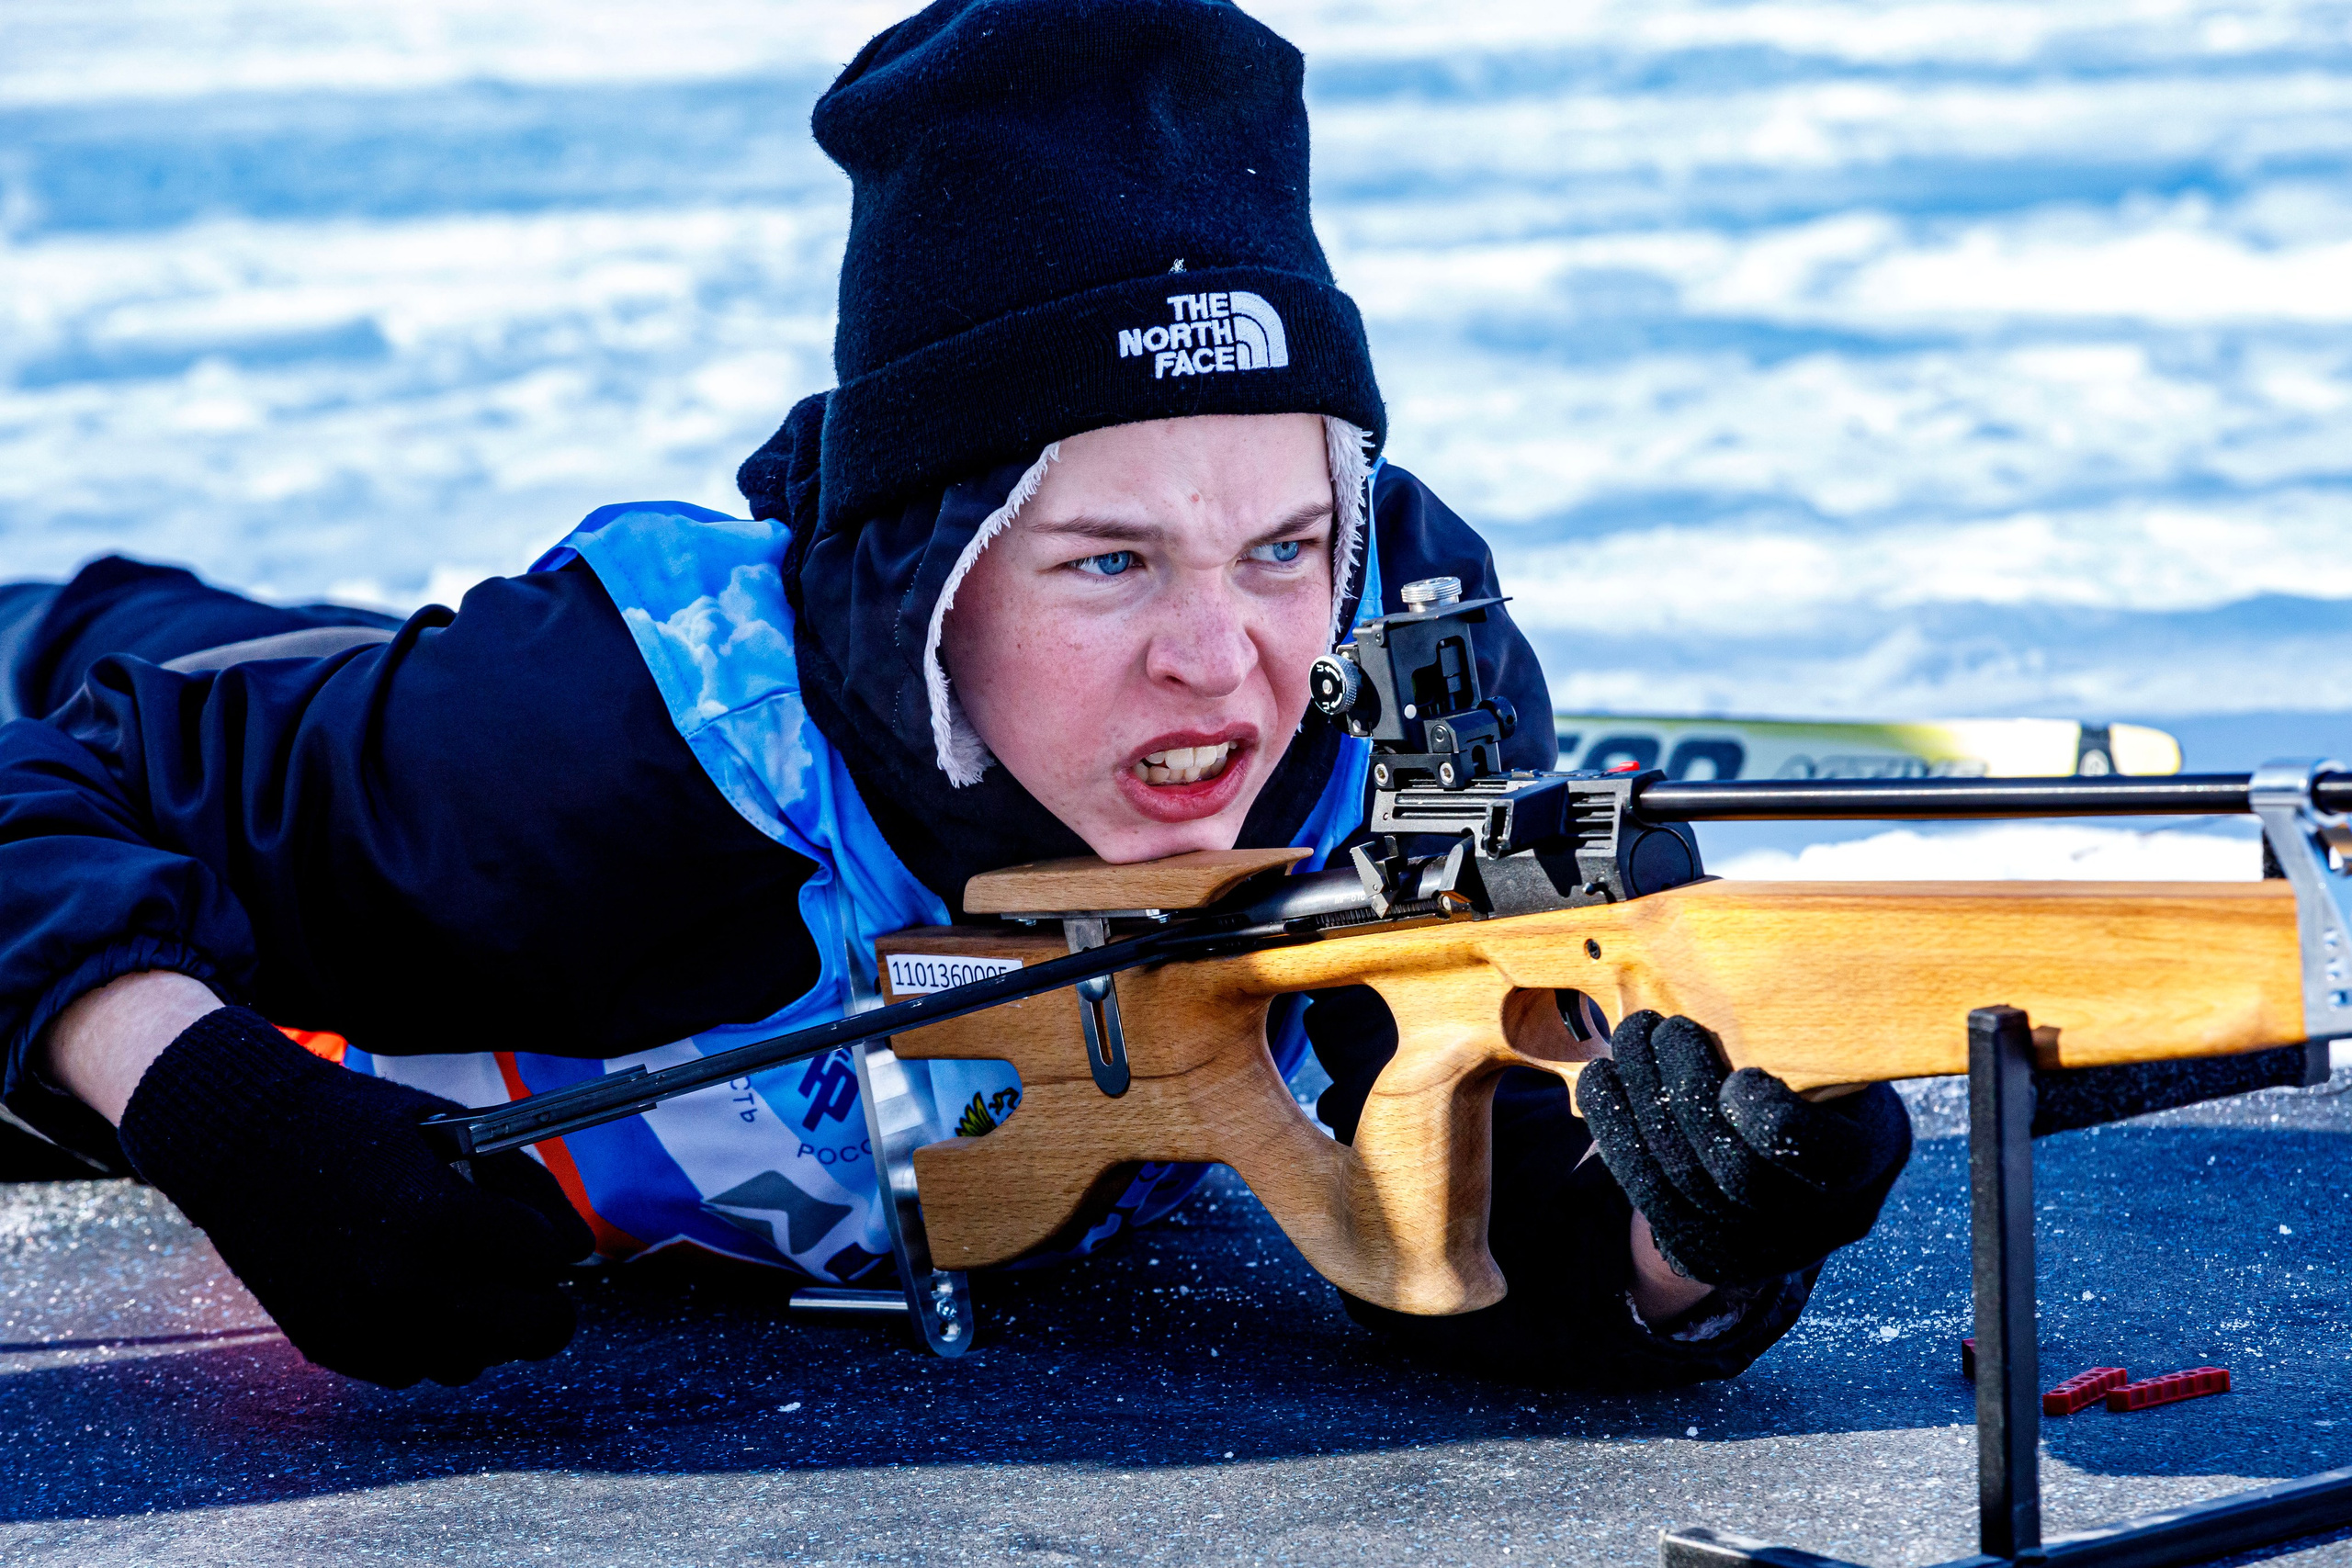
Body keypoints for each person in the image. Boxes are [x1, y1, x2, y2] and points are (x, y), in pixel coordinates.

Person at [0, 0, 1910, 1391]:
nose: (1222, 660)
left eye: (1280, 545)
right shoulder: (599, 738)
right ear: (931, 570)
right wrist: (211, 1107)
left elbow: (1482, 1209)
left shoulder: (1400, 674)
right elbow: (41, 790)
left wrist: (1693, 1229)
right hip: (129, 691)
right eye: (1108, 562)